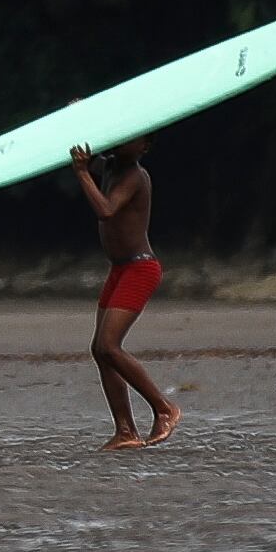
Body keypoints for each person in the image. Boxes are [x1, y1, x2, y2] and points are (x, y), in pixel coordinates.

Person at [67, 137, 180, 449]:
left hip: (140, 269)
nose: (122, 143)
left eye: (131, 140)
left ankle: (164, 408)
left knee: (109, 345)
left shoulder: (135, 175)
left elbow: (106, 210)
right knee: (99, 350)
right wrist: (79, 117)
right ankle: (126, 431)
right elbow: (89, 154)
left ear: (143, 147)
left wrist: (81, 174)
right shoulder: (112, 166)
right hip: (119, 268)